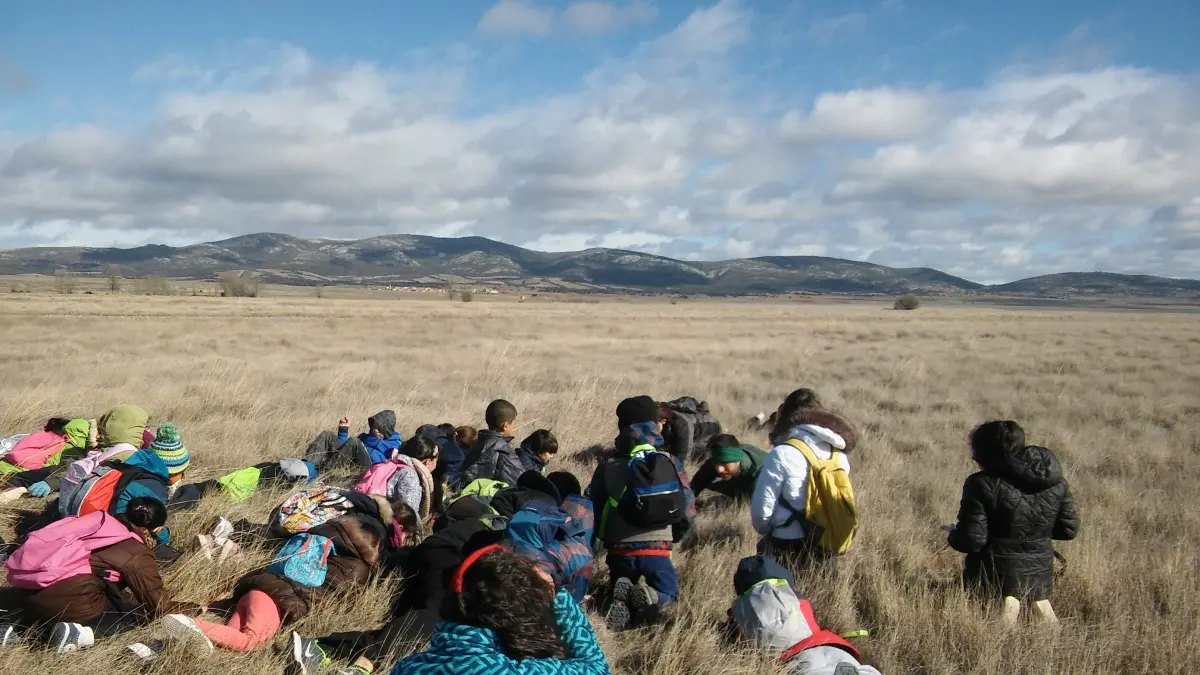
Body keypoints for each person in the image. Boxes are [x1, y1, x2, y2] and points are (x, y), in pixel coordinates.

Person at [151, 510, 389, 656]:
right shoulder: (356, 567)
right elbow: (333, 598)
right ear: (370, 546)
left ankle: (160, 647)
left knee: (228, 637)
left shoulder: (315, 536)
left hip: (256, 590)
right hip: (278, 600)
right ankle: (191, 623)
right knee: (251, 643)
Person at [0, 498, 197, 654]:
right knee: (137, 614)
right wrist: (200, 607)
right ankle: (70, 634)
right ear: (149, 530)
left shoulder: (96, 522)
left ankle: (21, 625)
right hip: (68, 599)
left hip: (26, 590)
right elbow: (159, 605)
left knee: (103, 597)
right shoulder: (134, 550)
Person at [390, 545, 611, 675]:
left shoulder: (407, 667)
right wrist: (558, 598)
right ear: (521, 621)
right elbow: (596, 669)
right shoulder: (506, 671)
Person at [947, 420, 1079, 624]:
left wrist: (953, 533)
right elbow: (1068, 529)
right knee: (1048, 626)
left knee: (999, 630)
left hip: (994, 574)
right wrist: (1034, 531)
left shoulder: (980, 483)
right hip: (1039, 572)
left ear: (985, 451)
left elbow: (972, 540)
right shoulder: (1056, 482)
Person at [588, 395, 694, 631]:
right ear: (654, 424)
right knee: (668, 592)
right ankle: (650, 596)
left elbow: (594, 506)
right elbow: (688, 507)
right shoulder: (669, 460)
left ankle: (621, 595)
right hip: (657, 548)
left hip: (619, 548)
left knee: (621, 583)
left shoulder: (609, 463)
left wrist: (599, 543)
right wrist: (675, 535)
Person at [750, 389, 857, 574]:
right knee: (821, 591)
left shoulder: (782, 453)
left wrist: (767, 529)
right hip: (827, 544)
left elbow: (761, 513)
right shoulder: (838, 455)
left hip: (785, 545)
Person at [728, 555, 881, 675]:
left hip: (800, 659)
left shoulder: (740, 610)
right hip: (829, 648)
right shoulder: (798, 599)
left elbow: (741, 643)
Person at [1, 405, 147, 501]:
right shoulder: (127, 450)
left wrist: (51, 483)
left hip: (79, 497)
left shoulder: (122, 455)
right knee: (23, 477)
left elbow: (84, 473)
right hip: (64, 478)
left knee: (23, 477)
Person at [167, 457, 318, 512]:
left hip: (214, 488)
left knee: (188, 494)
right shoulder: (272, 487)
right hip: (219, 495)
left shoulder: (265, 468)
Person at [354, 435, 439, 524]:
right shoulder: (409, 475)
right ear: (428, 462)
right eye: (436, 461)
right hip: (382, 521)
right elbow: (409, 514)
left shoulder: (391, 463)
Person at [304, 410, 402, 471]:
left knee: (354, 442)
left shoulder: (395, 444)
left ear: (387, 429)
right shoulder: (364, 437)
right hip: (349, 462)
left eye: (380, 428)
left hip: (368, 468)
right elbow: (344, 449)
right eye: (374, 425)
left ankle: (324, 473)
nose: (376, 429)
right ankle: (305, 466)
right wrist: (343, 431)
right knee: (327, 434)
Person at [458, 400, 523, 487]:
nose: (514, 426)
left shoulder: (477, 442)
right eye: (514, 423)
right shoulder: (504, 452)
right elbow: (522, 483)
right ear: (506, 425)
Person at [691, 434, 767, 502]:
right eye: (716, 463)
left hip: (756, 485)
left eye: (725, 463)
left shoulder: (761, 476)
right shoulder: (720, 457)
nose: (719, 469)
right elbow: (696, 484)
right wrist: (688, 502)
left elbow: (756, 508)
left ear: (737, 461)